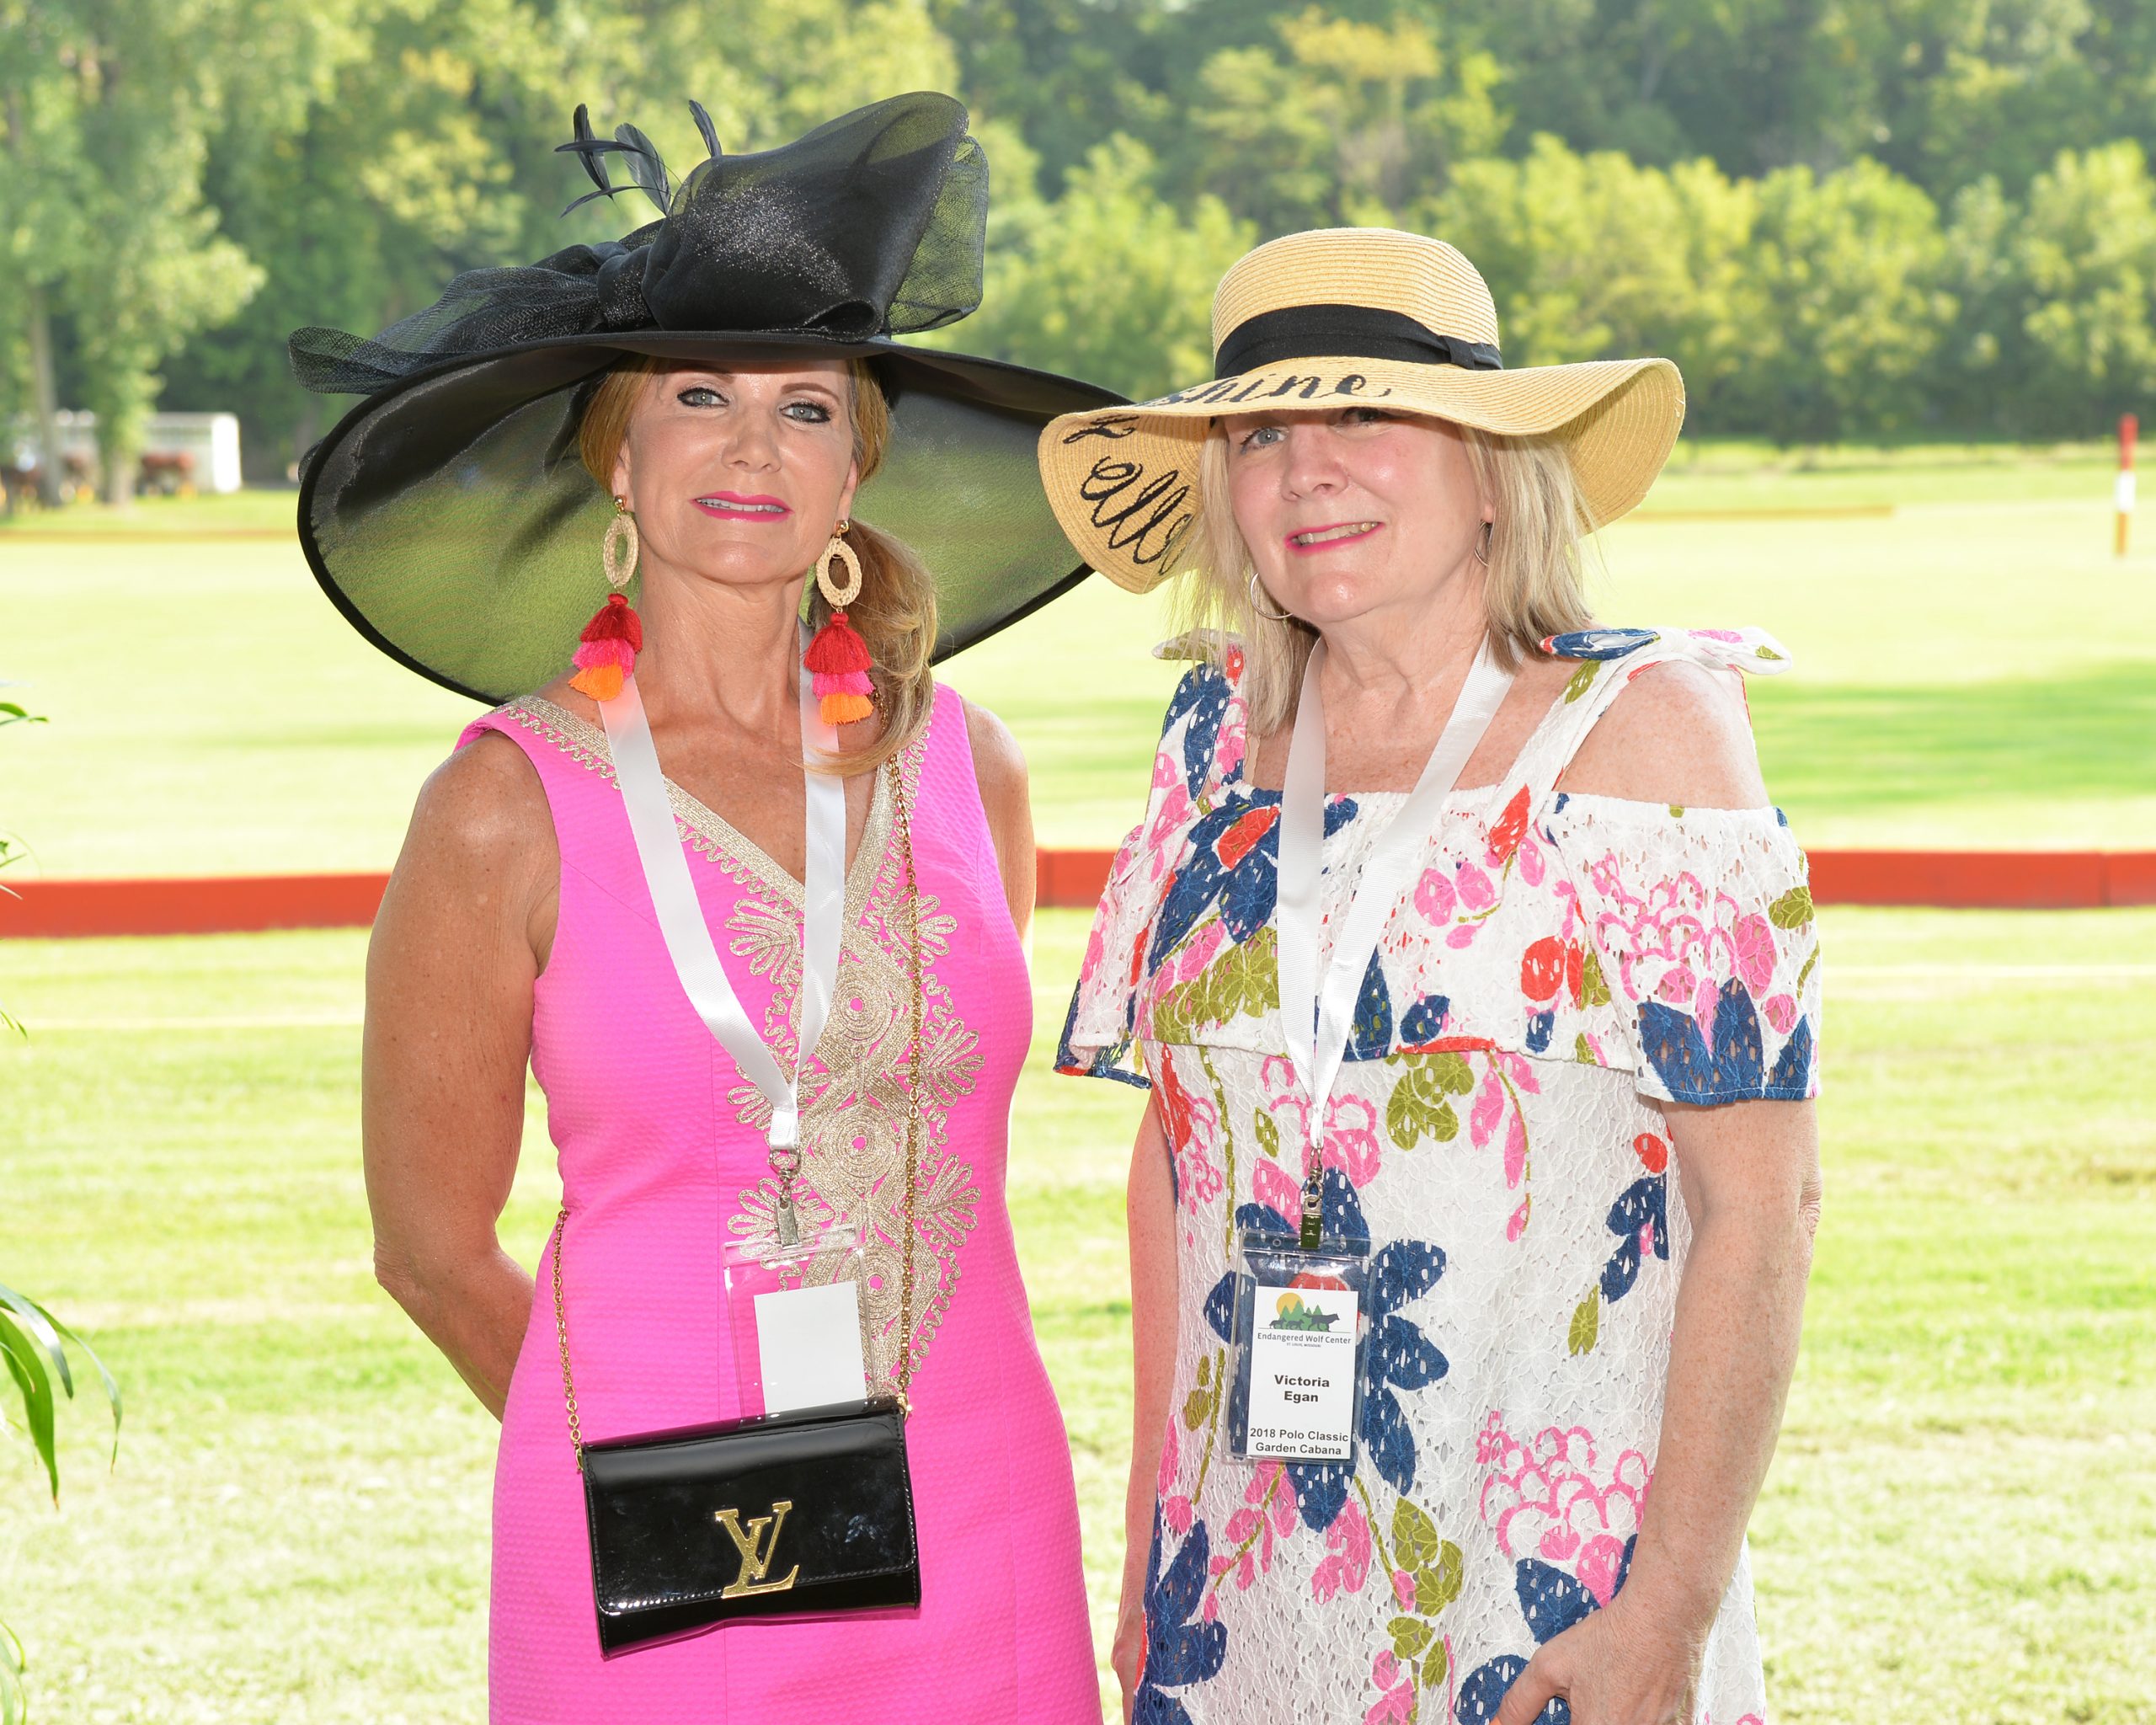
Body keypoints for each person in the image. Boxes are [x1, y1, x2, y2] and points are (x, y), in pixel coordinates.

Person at [290, 94, 1117, 1722]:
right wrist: (632, 1459)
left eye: (805, 407)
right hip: (663, 1548)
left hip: (976, 1510)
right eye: (698, 397)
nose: (753, 446)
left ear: (855, 466)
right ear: (618, 452)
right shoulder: (499, 810)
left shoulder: (971, 768)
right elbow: (431, 1252)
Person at [1038, 227, 1823, 1725]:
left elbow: (1762, 1208)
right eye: (1260, 435)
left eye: (1365, 413)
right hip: (1239, 1586)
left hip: (1550, 1598)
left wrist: (1669, 1613)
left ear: (1493, 470)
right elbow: (1177, 1161)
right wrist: (1151, 1537)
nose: (1306, 470)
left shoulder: (1644, 726)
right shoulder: (1212, 740)